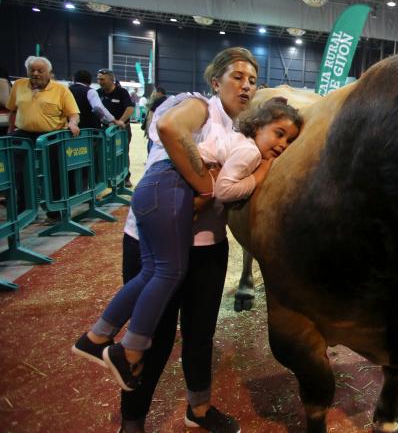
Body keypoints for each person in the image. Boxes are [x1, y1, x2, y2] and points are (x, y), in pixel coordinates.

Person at [71, 47, 258, 432]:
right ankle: (133, 421)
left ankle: (199, 409)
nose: (246, 86)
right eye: (237, 77)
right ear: (215, 82)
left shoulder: (242, 131)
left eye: (253, 81)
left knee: (200, 334)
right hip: (151, 242)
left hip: (208, 245)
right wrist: (207, 187)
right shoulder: (196, 107)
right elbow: (172, 129)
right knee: (151, 336)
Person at [7, 56, 80, 214]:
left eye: (40, 70)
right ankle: (23, 210)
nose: (35, 73)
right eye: (31, 70)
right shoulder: (18, 85)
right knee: (20, 173)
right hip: (23, 136)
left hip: (50, 137)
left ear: (49, 72)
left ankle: (54, 211)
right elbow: (13, 110)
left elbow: (73, 113)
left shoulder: (61, 90)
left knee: (53, 173)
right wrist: (11, 129)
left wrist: (72, 123)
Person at [97, 69, 135, 187]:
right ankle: (109, 178)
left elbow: (129, 108)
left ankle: (125, 178)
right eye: (98, 79)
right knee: (105, 155)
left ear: (111, 79)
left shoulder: (122, 92)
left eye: (102, 79)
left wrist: (120, 122)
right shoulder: (98, 93)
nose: (100, 81)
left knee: (122, 153)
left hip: (121, 130)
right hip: (105, 130)